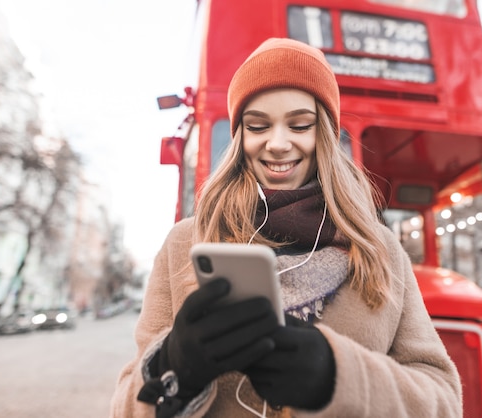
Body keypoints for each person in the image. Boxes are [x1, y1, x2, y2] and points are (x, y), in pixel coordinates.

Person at [110, 38, 462, 418]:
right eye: (258, 125)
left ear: (324, 133)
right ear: (240, 135)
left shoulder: (381, 250)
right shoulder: (186, 243)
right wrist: (172, 366)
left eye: (299, 125)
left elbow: (443, 400)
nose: (278, 144)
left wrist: (337, 378)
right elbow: (125, 407)